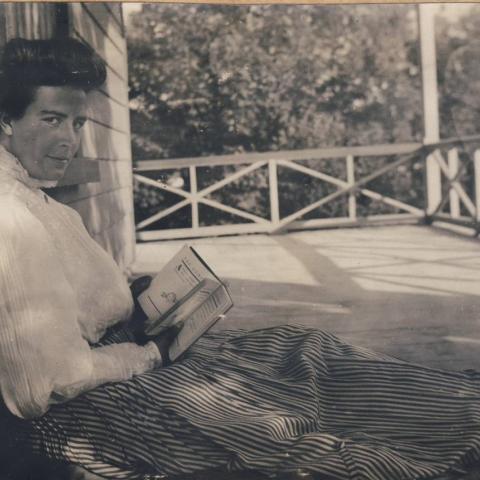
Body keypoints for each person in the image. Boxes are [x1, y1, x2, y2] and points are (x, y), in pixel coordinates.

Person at [0, 37, 479, 480]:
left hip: (132, 360)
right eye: (51, 119)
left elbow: (71, 300)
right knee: (283, 422)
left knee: (303, 349)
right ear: (6, 120)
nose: (70, 139)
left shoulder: (39, 199)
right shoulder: (12, 217)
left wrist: (135, 296)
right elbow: (43, 385)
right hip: (102, 407)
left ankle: (464, 407)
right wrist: (150, 355)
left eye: (78, 122)